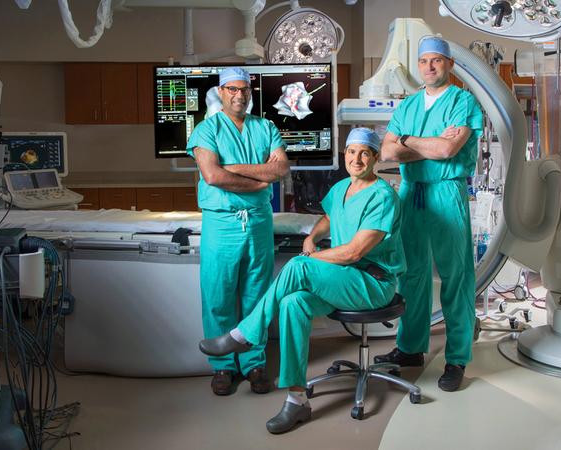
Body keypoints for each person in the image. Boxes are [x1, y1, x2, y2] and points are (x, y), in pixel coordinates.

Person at [199, 128, 405, 434]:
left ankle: (245, 333)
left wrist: (310, 258)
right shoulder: (342, 188)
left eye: (364, 153)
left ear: (375, 157)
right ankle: (296, 401)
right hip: (345, 280)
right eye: (351, 152)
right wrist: (313, 236)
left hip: (373, 284)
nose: (357, 159)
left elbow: (353, 253)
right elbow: (330, 217)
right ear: (344, 156)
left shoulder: (383, 196)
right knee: (293, 303)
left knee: (298, 265)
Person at [374, 36, 484, 392]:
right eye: (424, 62)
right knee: (412, 275)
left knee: (456, 277)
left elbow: (449, 148)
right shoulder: (407, 106)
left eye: (437, 61)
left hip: (446, 191)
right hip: (411, 193)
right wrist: (425, 145)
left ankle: (456, 358)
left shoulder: (463, 101)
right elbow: (388, 153)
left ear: (449, 64)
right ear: (418, 66)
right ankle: (410, 348)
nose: (430, 67)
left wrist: (408, 141)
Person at [187, 67, 289, 396]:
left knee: (256, 295)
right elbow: (212, 177)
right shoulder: (206, 130)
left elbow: (282, 168)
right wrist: (260, 181)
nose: (239, 95)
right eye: (232, 89)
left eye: (244, 89)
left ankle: (254, 364)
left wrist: (233, 169)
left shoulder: (266, 127)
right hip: (221, 222)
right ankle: (223, 367)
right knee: (219, 295)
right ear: (221, 91)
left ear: (251, 91)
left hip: (258, 220)